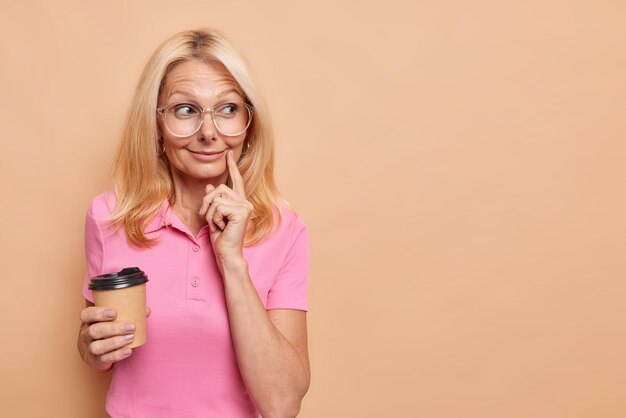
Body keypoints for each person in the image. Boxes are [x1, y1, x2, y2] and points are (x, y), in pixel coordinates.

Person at [76, 28, 310, 418]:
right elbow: (97, 345)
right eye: (186, 110)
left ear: (249, 125)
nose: (208, 132)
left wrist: (232, 260)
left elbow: (282, 405)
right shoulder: (108, 216)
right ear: (156, 125)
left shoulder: (282, 228)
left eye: (228, 109)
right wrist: (90, 347)